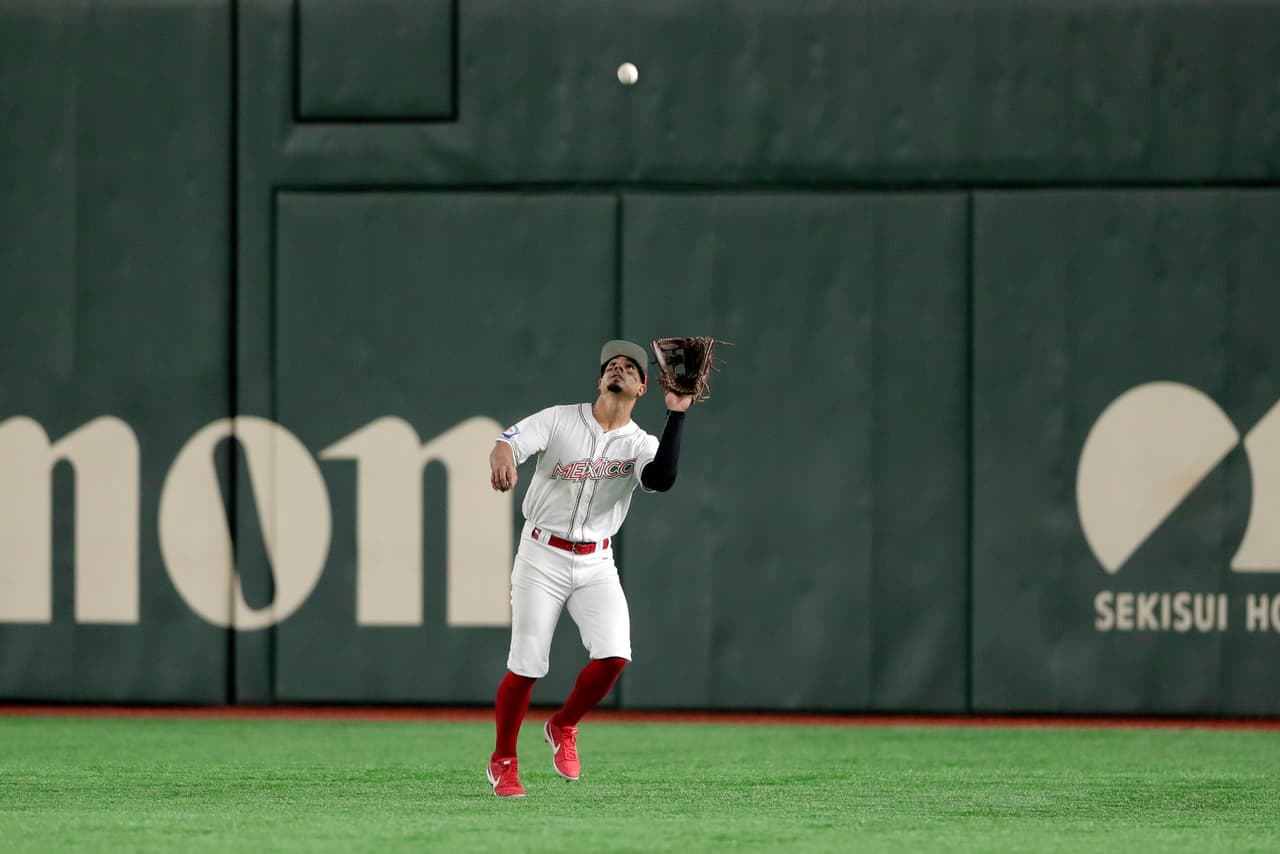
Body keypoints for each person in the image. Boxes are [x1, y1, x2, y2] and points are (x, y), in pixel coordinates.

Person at [485, 339, 694, 798]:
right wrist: (502, 456)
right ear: (601, 380)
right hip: (541, 554)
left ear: (642, 387)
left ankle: (563, 726)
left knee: (615, 654)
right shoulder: (560, 418)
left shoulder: (641, 443)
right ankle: (503, 760)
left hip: (597, 560)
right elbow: (509, 442)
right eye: (611, 366)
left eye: (629, 368)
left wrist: (677, 412)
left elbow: (661, 479)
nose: (618, 370)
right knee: (527, 664)